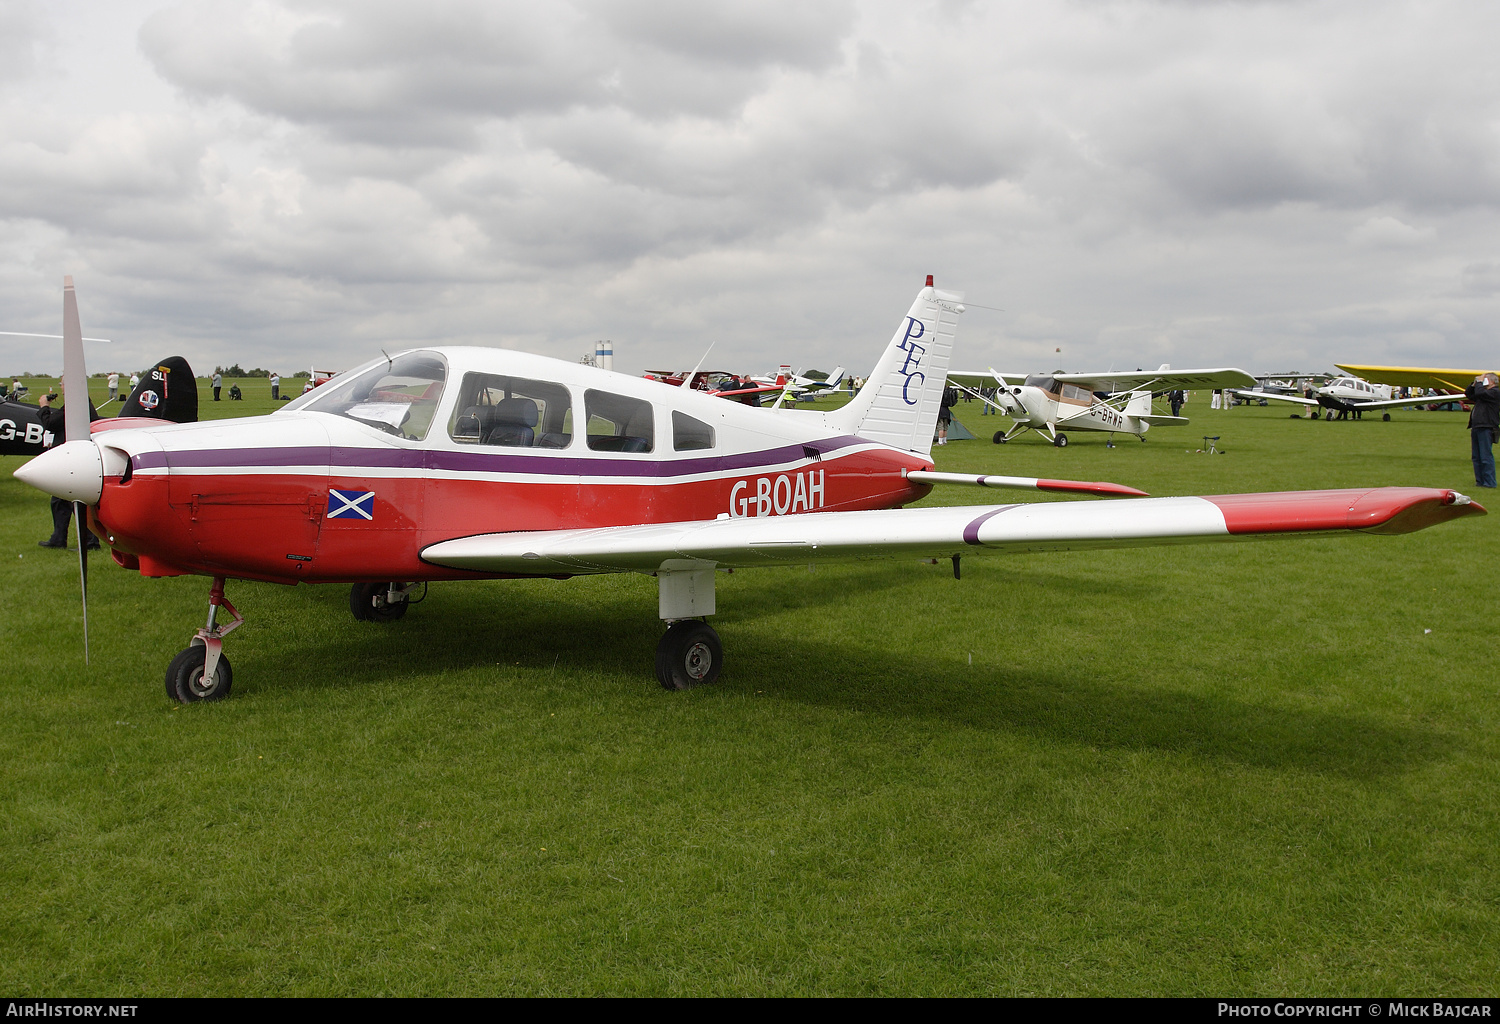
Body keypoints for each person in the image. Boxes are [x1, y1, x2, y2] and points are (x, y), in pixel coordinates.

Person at [34, 390, 101, 550]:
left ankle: (90, 541)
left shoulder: (76, 407)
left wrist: (44, 406)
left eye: (63, 384)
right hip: (73, 458)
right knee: (59, 501)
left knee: (74, 500)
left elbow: (50, 423)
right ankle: (58, 538)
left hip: (73, 459)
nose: (62, 389)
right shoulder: (80, 404)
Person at [1464, 372, 1499, 488]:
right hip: (1477, 426)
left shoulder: (1495, 392)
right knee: (1476, 456)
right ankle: (1480, 481)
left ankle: (1489, 482)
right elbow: (1468, 394)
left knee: (1485, 456)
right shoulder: (1483, 394)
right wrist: (1474, 383)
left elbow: (1480, 393)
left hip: (1487, 426)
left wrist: (1479, 383)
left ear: (1492, 381)